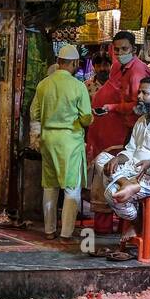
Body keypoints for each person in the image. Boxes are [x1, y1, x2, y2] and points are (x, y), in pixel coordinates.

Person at [97, 76, 150, 255]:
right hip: (133, 171)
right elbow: (131, 149)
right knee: (102, 159)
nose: (140, 96)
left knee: (111, 194)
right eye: (140, 92)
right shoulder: (141, 121)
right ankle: (126, 185)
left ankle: (135, 222)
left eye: (145, 93)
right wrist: (119, 158)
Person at [29, 44, 93, 241]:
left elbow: (34, 113)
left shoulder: (43, 85)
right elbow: (86, 117)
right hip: (69, 142)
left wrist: (38, 134)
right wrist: (89, 120)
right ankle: (65, 233)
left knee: (50, 186)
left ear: (58, 62)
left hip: (48, 140)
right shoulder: (78, 86)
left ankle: (49, 231)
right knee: (71, 187)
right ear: (74, 63)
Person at [87, 31, 149, 163]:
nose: (120, 53)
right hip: (112, 125)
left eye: (124, 49)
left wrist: (112, 107)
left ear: (134, 49)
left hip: (128, 129)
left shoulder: (137, 72)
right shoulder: (117, 66)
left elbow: (138, 105)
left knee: (118, 164)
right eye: (117, 49)